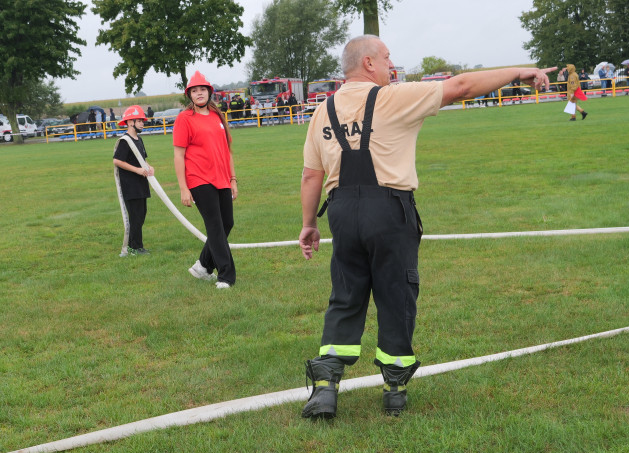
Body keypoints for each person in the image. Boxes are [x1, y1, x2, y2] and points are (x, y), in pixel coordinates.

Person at [298, 35, 553, 419]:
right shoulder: (392, 97)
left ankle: (325, 388)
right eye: (386, 58)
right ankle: (394, 390)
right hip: (389, 209)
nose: (391, 65)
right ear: (368, 63)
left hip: (341, 212)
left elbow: (309, 175)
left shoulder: (322, 110)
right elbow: (461, 86)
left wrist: (308, 225)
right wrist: (520, 71)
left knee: (345, 293)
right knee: (396, 292)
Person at [174, 70, 238, 289]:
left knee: (227, 223)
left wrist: (233, 179)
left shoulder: (217, 116)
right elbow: (179, 155)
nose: (199, 93)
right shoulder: (184, 119)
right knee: (215, 226)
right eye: (194, 90)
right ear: (189, 95)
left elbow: (227, 150)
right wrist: (183, 188)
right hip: (199, 178)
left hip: (222, 178)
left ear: (209, 92)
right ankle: (226, 276)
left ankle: (202, 266)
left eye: (202, 89)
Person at [113, 105, 154, 257]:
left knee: (141, 214)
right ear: (130, 122)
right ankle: (133, 248)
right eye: (140, 121)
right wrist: (137, 170)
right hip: (130, 185)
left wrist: (149, 167)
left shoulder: (139, 139)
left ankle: (136, 246)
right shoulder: (125, 141)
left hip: (141, 184)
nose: (143, 124)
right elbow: (117, 161)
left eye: (143, 121)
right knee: (135, 216)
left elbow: (142, 160)